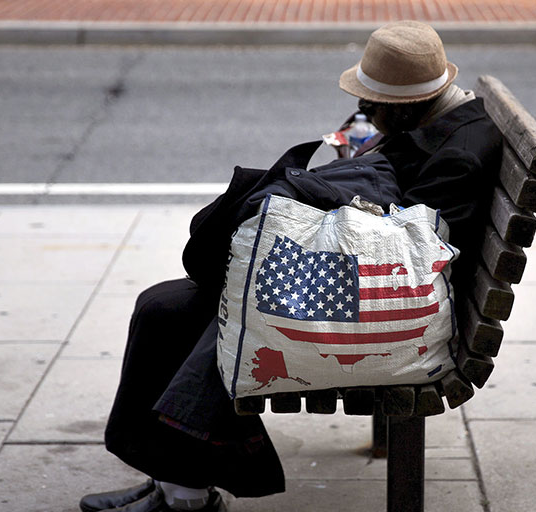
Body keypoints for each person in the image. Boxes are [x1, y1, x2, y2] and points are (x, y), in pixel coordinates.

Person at [79, 20, 502, 512]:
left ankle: (185, 496)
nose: (364, 111)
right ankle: (174, 481)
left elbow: (412, 252)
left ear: (405, 106)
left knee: (187, 314)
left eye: (372, 104)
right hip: (372, 281)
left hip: (389, 305)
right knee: (163, 305)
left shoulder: (459, 157)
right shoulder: (437, 121)